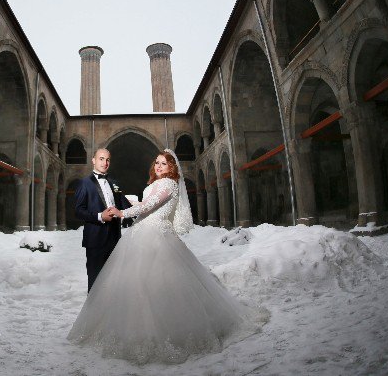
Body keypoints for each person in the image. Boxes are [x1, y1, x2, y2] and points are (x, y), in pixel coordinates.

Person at [68, 149, 267, 365]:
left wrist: (122, 213)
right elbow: (145, 206)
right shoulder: (152, 183)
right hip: (138, 232)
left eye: (164, 163)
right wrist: (130, 205)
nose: (159, 166)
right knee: (132, 285)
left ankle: (163, 331)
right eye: (157, 162)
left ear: (172, 167)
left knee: (158, 284)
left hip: (156, 235)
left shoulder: (169, 184)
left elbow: (151, 205)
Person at [74, 148, 132, 292]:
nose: (105, 163)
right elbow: (78, 211)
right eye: (101, 159)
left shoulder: (114, 183)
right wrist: (100, 216)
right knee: (95, 283)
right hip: (95, 240)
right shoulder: (84, 183)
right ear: (93, 160)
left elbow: (124, 203)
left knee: (114, 281)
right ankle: (94, 313)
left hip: (114, 238)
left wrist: (145, 206)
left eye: (107, 160)